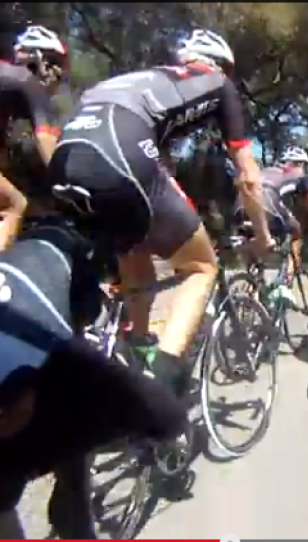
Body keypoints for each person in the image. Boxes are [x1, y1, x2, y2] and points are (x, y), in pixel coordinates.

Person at [47, 28, 274, 398]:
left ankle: (132, 351)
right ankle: (159, 391)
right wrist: (262, 236)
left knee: (140, 272)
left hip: (66, 154)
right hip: (121, 149)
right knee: (202, 266)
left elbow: (160, 175)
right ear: (219, 65)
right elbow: (249, 178)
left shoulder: (147, 82)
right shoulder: (218, 83)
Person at [0, 221, 187, 539]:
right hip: (47, 273)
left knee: (73, 414)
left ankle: (71, 496)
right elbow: (165, 415)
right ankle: (71, 500)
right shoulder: (60, 364)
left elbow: (163, 413)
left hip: (58, 279)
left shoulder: (62, 363)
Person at [0, 25, 67, 249]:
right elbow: (47, 146)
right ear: (41, 61)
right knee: (14, 205)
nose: (59, 74)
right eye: (57, 64)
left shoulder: (8, 82)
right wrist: (70, 186)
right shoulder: (28, 82)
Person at [232, 144, 308, 294]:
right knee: (296, 230)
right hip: (267, 206)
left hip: (240, 207)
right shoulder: (300, 176)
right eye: (304, 165)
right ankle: (287, 277)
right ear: (299, 164)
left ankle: (251, 282)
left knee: (252, 242)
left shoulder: (265, 171)